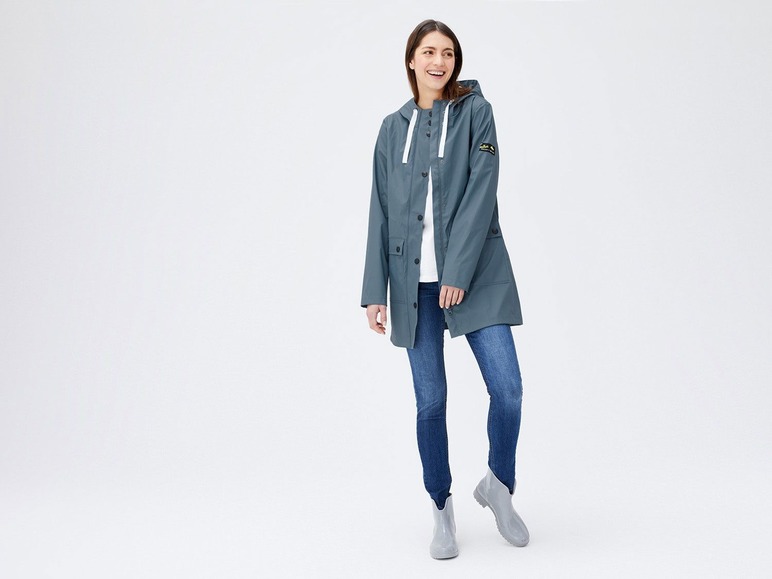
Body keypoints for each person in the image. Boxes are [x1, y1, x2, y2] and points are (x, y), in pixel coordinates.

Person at [360, 19, 530, 559]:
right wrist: (374, 290)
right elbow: (380, 211)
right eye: (429, 51)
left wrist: (455, 272)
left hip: (476, 276)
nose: (439, 61)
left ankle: (498, 484)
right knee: (430, 402)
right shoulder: (392, 129)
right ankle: (441, 507)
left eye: (449, 53)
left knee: (508, 389)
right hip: (412, 287)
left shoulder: (477, 113)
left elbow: (483, 191)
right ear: (411, 59)